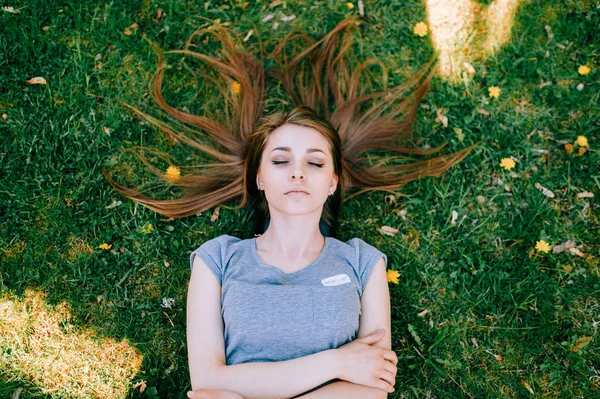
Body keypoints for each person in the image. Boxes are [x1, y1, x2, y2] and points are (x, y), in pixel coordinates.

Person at [102, 17, 478, 399]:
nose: (298, 172)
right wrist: (336, 363)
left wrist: (244, 389)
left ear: (332, 182)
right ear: (260, 178)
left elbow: (371, 389)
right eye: (280, 161)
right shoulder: (217, 260)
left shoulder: (364, 263)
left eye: (315, 163)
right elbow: (207, 382)